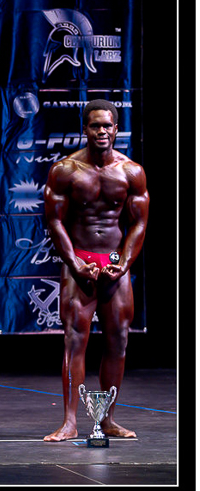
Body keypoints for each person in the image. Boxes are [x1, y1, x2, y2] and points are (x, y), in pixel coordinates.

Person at [43, 100, 149, 442]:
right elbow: (54, 220)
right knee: (75, 339)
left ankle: (107, 419)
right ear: (84, 129)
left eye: (106, 126)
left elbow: (139, 223)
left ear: (116, 129)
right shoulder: (65, 170)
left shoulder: (131, 172)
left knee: (119, 340)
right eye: (94, 126)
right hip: (80, 262)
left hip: (114, 262)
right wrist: (74, 263)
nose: (101, 131)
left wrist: (124, 262)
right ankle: (69, 422)